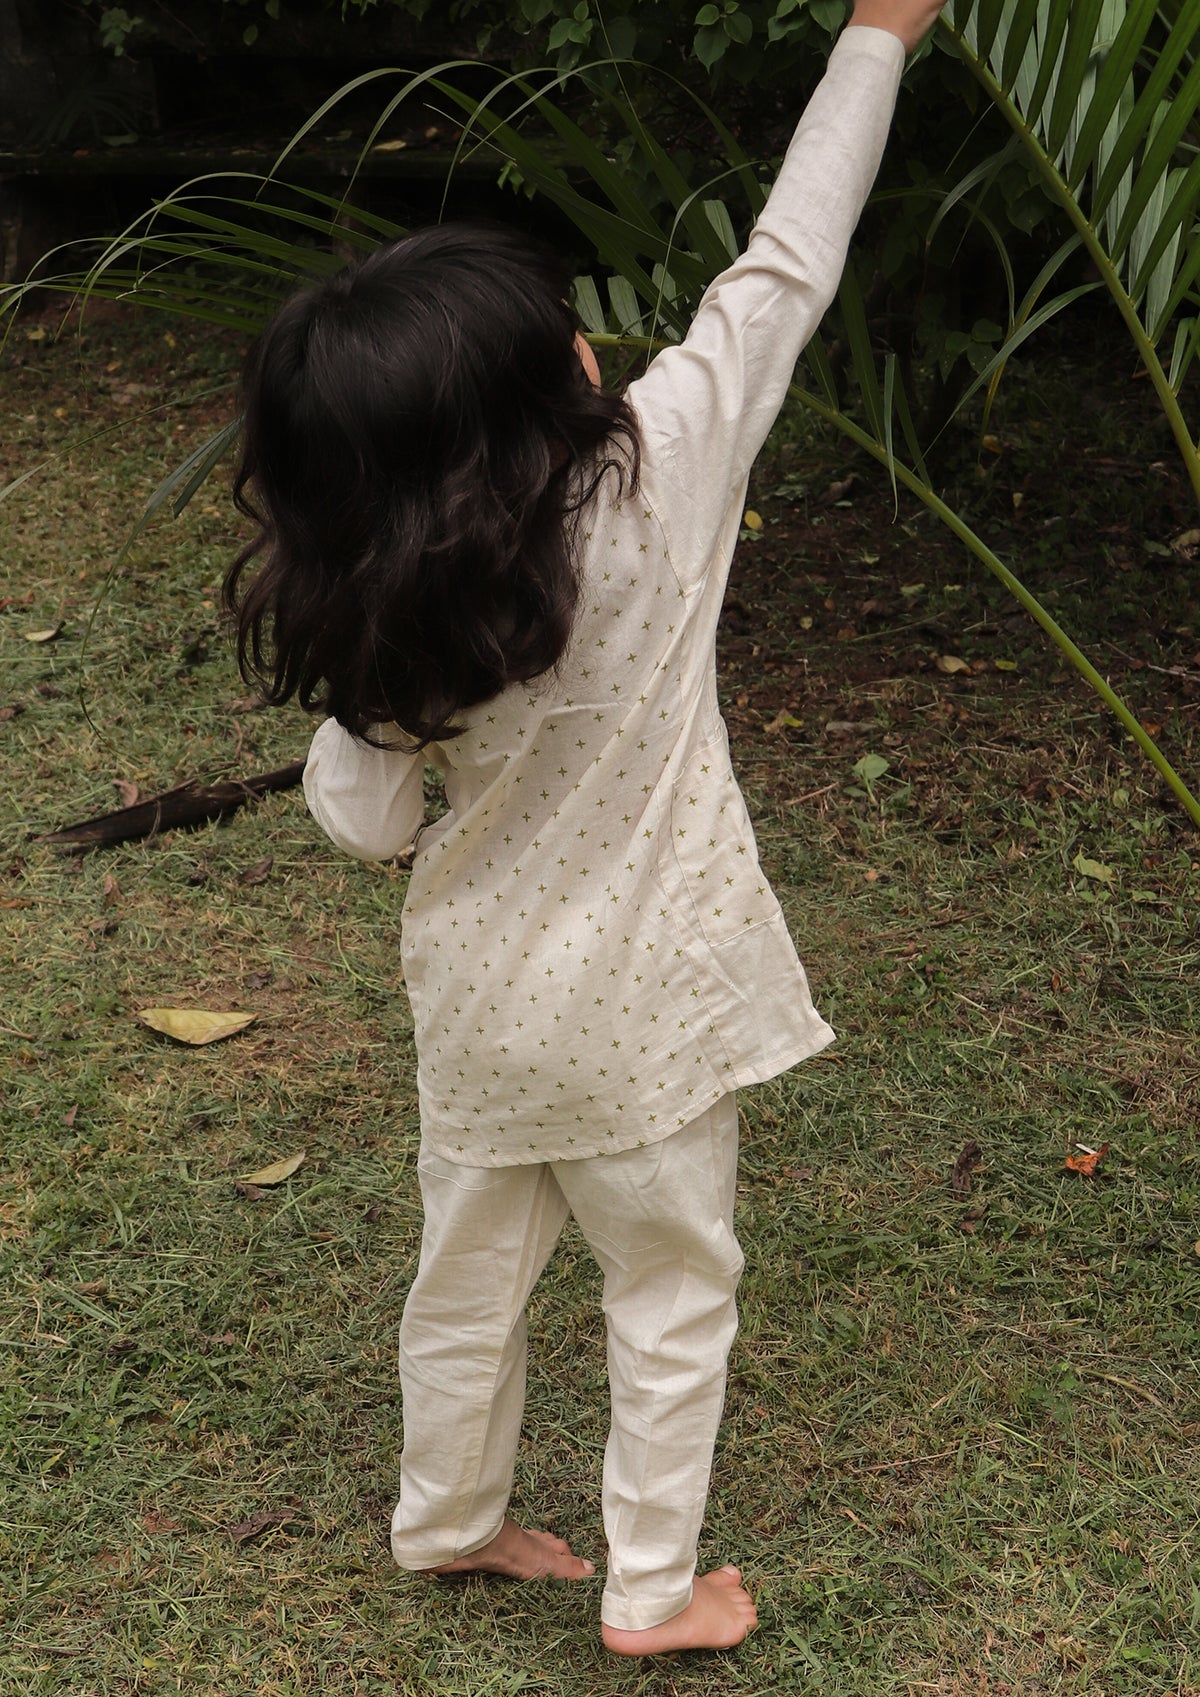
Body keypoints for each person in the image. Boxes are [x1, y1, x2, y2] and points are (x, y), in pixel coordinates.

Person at [225, 0, 944, 1656]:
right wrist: (875, 40)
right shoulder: (664, 472)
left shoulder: (397, 610)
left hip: (478, 1021)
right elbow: (783, 266)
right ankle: (652, 1590)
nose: (582, 347)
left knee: (466, 1275)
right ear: (547, 400)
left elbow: (358, 816)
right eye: (557, 341)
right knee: (672, 1285)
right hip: (647, 1034)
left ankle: (447, 1519)